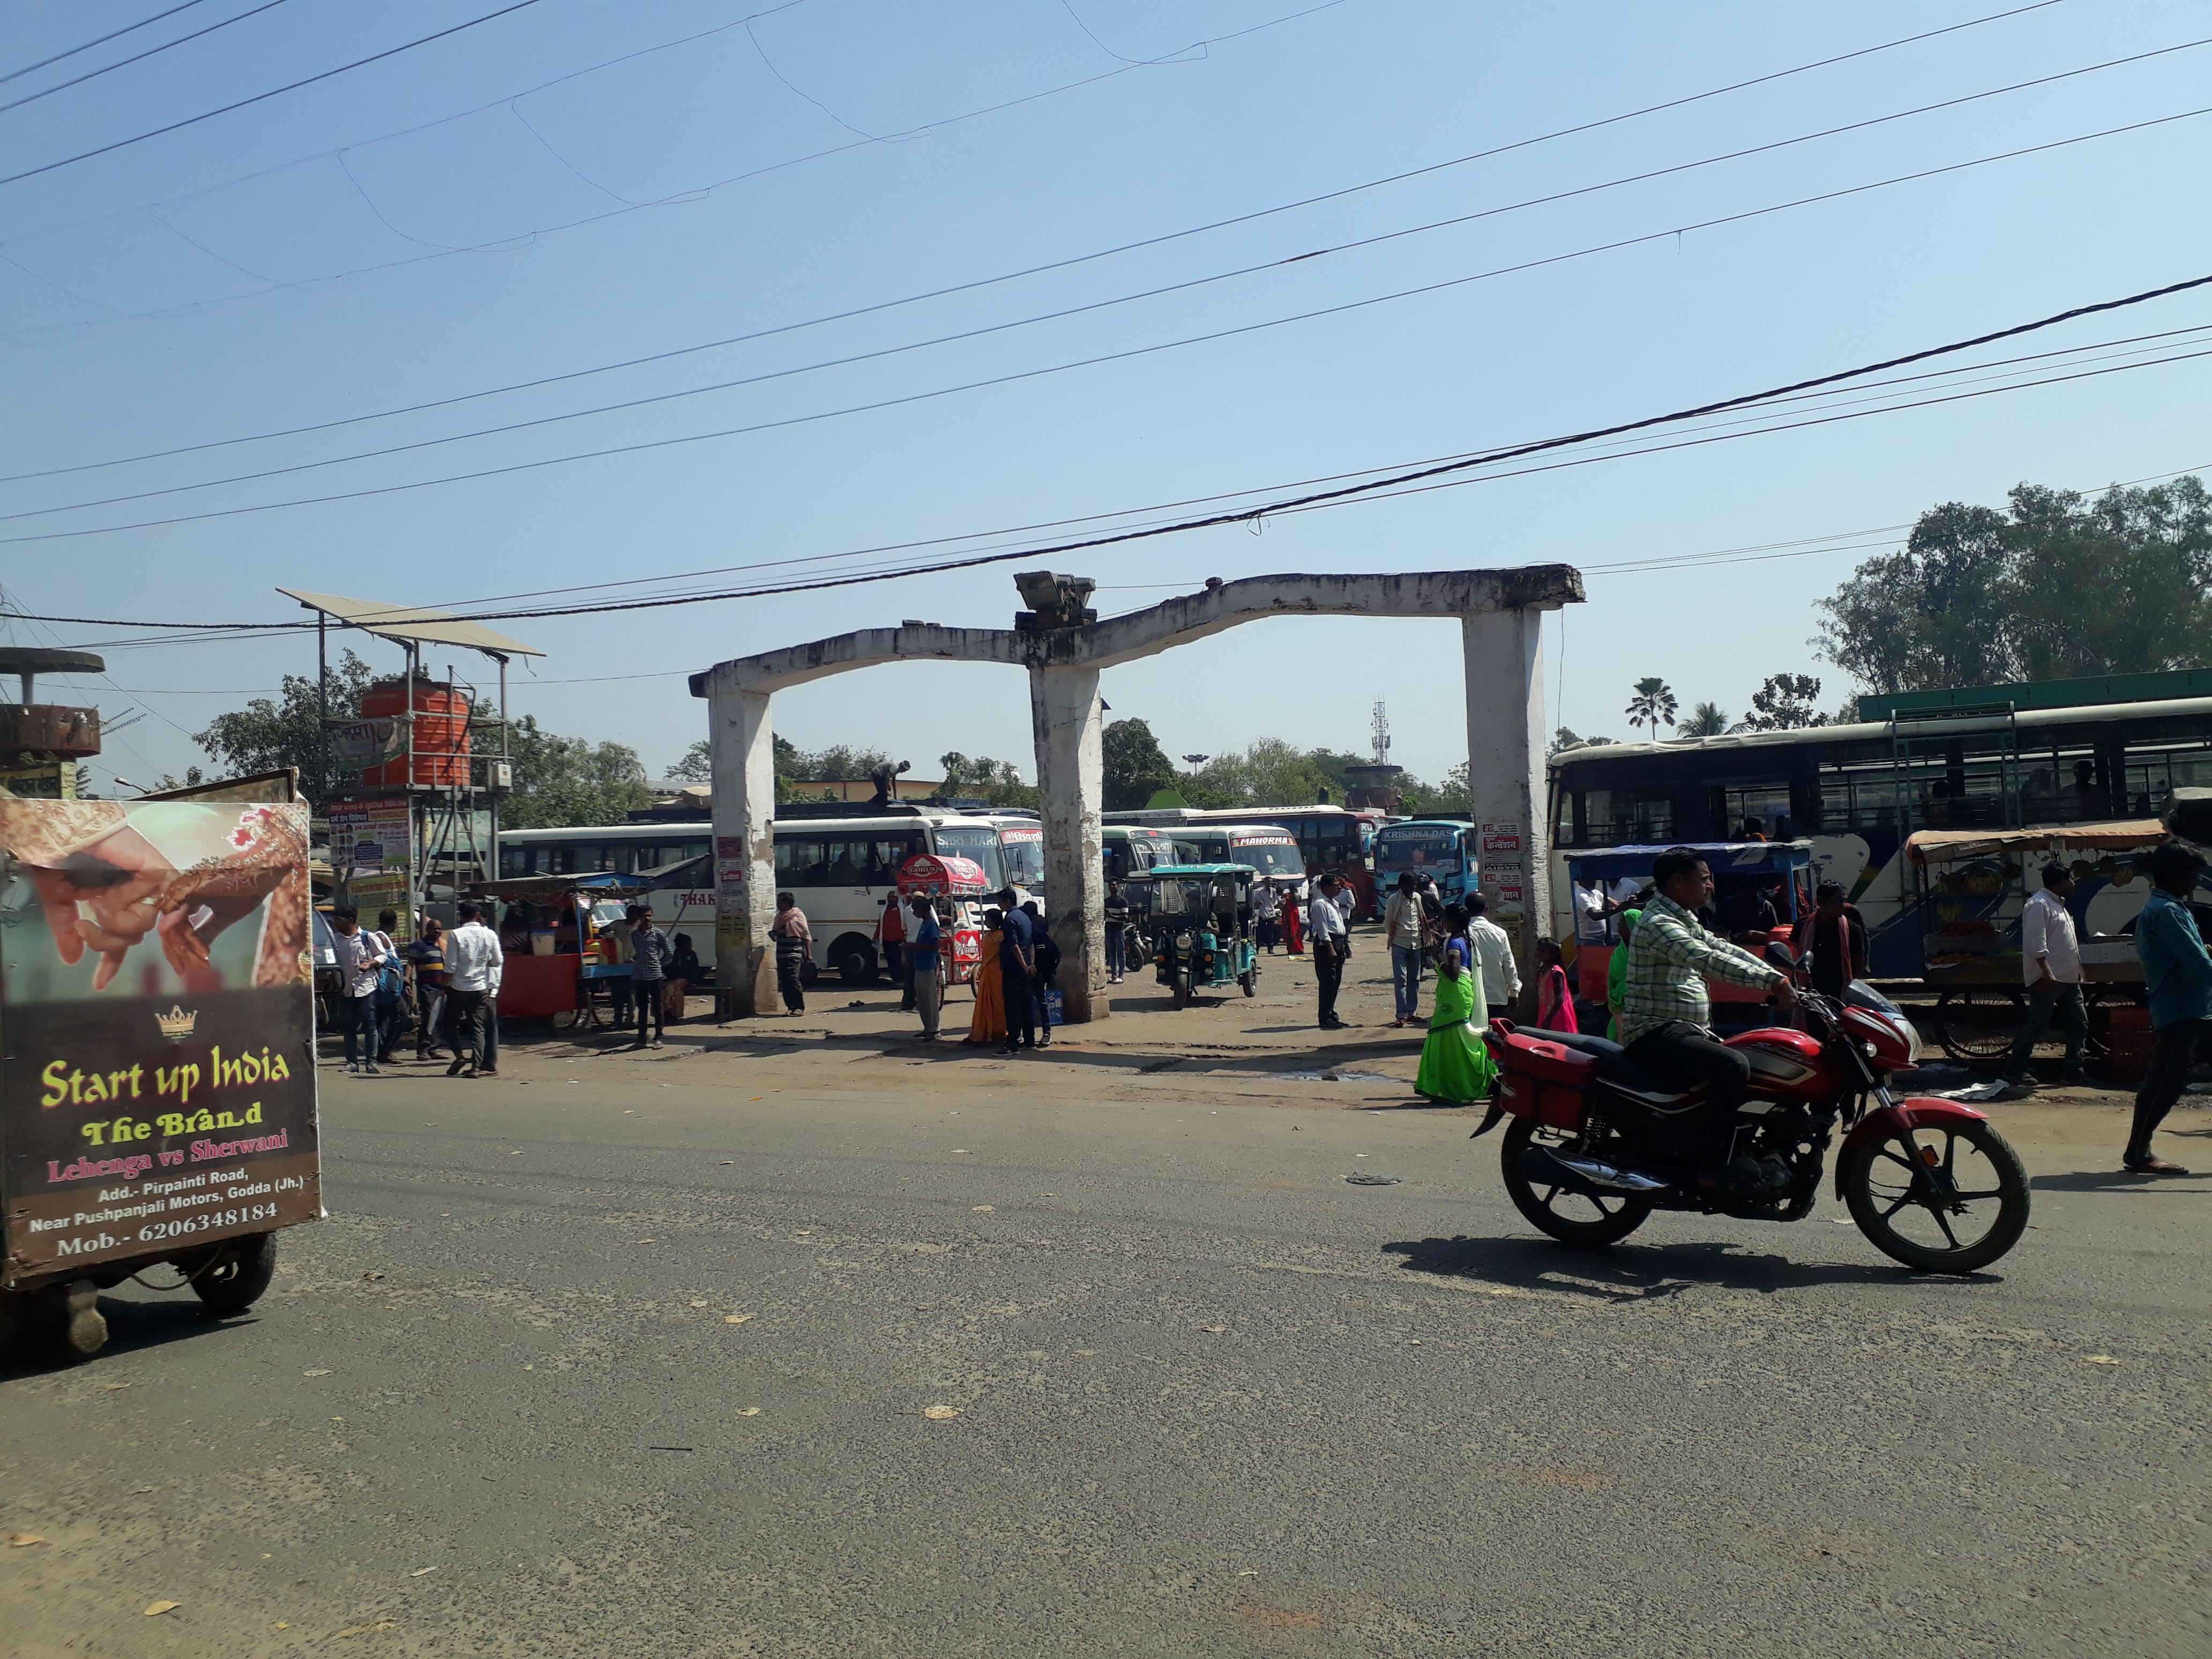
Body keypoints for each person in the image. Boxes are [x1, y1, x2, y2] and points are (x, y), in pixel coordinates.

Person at [1618, 846, 1796, 1184]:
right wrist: (1773, 981)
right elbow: (1704, 959)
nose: (1711, 885)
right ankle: (1714, 1167)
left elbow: (1722, 948)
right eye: (1704, 879)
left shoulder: (1682, 918)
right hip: (1656, 1032)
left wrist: (1779, 974)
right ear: (1677, 881)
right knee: (1733, 1065)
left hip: (1685, 1029)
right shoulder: (1659, 923)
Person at [2125, 842, 2211, 1175]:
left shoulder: (2170, 907)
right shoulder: (2168, 912)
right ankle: (2137, 1152)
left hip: (2195, 1007)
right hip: (2181, 1009)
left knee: (2167, 1080)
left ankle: (2138, 1151)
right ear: (2178, 874)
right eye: (2193, 873)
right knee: (2165, 1082)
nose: (2196, 880)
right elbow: (2200, 964)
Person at [1998, 865, 2086, 1088]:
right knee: (2037, 1025)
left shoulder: (2057, 904)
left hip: (2067, 977)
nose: (2074, 884)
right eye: (2072, 879)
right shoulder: (2039, 904)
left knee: (2079, 1022)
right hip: (2048, 978)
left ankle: (2074, 1071)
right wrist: (2046, 972)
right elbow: (2036, 943)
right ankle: (2015, 1071)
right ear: (2061, 881)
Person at [1415, 932, 1498, 1104]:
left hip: (1455, 999)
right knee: (1460, 1041)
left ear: (1452, 921)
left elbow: (1453, 974)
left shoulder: (1455, 943)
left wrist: (1437, 956)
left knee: (1454, 1042)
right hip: (1457, 997)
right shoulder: (1464, 939)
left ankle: (1461, 1088)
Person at [445, 900, 504, 1078]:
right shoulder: (490, 935)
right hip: (480, 988)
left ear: (461, 916)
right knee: (477, 1028)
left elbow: (451, 967)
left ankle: (460, 1056)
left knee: (449, 1024)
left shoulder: (456, 935)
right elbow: (498, 961)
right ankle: (476, 1067)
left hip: (457, 987)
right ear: (477, 915)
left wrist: (443, 986)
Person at [329, 906, 388, 1075]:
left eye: (338, 920)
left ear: (350, 920)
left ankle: (372, 1062)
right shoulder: (335, 940)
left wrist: (370, 964)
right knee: (349, 1027)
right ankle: (352, 1062)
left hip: (366, 987)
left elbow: (382, 955)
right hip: (345, 988)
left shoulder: (367, 937)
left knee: (370, 1025)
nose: (335, 923)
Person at [1791, 881, 1870, 1004]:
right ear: (1821, 902)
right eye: (1838, 901)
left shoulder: (1853, 930)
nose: (1843, 906)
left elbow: (1858, 965)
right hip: (1810, 994)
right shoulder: (1801, 927)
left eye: (1844, 901)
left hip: (1840, 994)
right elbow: (1794, 957)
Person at [1464, 894, 1521, 1022]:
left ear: (1466, 909)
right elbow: (1509, 964)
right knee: (1494, 1036)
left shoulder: (1463, 933)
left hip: (1471, 997)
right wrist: (1514, 992)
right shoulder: (1500, 933)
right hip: (1497, 997)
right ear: (1486, 910)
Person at [996, 887, 1038, 1054]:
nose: (999, 906)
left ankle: (1012, 1043)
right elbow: (1030, 943)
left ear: (1007, 901)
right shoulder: (1024, 917)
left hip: (1014, 969)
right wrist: (1030, 965)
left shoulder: (1010, 919)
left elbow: (1014, 947)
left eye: (1000, 902)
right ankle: (1029, 1040)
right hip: (1026, 968)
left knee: (1013, 1007)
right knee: (1026, 1005)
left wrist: (1023, 966)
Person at [1384, 871, 1426, 1028]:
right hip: (1400, 943)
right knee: (1401, 979)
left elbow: (1421, 918)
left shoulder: (1418, 898)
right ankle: (1401, 1015)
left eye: (1415, 885)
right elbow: (1388, 922)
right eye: (1410, 885)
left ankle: (1412, 1012)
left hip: (1416, 943)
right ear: (1402, 885)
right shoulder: (1394, 900)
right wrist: (1393, 937)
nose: (1413, 888)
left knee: (1414, 980)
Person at [1308, 873, 1351, 1029]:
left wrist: (1343, 947)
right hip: (1327, 945)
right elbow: (1322, 930)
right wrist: (1331, 949)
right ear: (1325, 887)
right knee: (1328, 982)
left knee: (1336, 982)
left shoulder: (1333, 903)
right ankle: (1325, 1018)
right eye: (1335, 885)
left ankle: (1332, 1014)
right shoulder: (1320, 904)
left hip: (1339, 942)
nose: (1339, 888)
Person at [407, 917, 451, 1062]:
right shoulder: (419, 945)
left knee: (439, 1019)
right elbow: (410, 964)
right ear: (427, 929)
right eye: (434, 928)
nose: (438, 931)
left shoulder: (443, 945)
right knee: (429, 1018)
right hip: (427, 987)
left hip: (441, 988)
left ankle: (433, 1049)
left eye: (439, 929)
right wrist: (407, 980)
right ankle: (422, 1050)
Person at [628, 903, 671, 1048]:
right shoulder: (634, 935)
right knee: (642, 1008)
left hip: (655, 975)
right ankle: (641, 1039)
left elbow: (669, 953)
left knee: (658, 1007)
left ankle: (659, 1037)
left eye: (650, 916)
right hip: (639, 976)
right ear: (639, 918)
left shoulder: (659, 934)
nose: (648, 919)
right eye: (645, 916)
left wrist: (660, 964)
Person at [369, 908, 407, 1064]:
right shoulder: (381, 937)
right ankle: (384, 1051)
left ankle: (377, 1051)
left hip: (389, 986)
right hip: (387, 987)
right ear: (394, 922)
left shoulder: (382, 937)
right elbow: (384, 961)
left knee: (381, 1019)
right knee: (401, 1016)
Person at [966, 908, 1008, 1045]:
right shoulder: (987, 936)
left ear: (995, 920)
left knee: (998, 1003)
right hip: (986, 972)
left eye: (988, 919)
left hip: (998, 973)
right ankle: (982, 1032)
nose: (986, 922)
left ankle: (999, 1032)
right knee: (984, 1003)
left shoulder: (1002, 936)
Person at [908, 894, 944, 1040]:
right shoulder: (924, 923)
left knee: (930, 999)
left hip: (928, 966)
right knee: (922, 1000)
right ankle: (927, 1027)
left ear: (922, 910)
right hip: (919, 966)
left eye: (915, 909)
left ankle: (935, 1029)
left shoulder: (931, 924)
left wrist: (914, 947)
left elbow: (935, 945)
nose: (914, 913)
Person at [1023, 900, 1059, 1047]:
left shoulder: (1032, 927)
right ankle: (1043, 1033)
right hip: (1038, 969)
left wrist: (1037, 969)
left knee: (1037, 1000)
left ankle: (1044, 1033)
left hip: (1035, 970)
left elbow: (1040, 951)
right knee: (1040, 1000)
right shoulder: (1041, 923)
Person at [770, 892, 811, 1014]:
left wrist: (809, 953)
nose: (777, 904)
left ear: (787, 903)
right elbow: (775, 932)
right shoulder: (779, 917)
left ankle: (799, 1007)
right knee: (784, 981)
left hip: (794, 953)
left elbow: (805, 935)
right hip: (781, 953)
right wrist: (773, 934)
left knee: (793, 979)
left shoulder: (798, 916)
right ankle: (791, 1007)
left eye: (780, 901)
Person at [1605, 908, 1641, 1040]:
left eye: (1623, 921)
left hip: (1639, 1004)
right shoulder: (1620, 950)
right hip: (1618, 1001)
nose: (1618, 924)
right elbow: (1612, 977)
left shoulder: (1643, 950)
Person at [1534, 936, 1577, 1033]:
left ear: (1553, 954)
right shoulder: (1541, 972)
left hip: (1557, 1013)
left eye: (1543, 951)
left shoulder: (1556, 972)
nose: (1539, 954)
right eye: (1538, 951)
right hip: (1545, 1012)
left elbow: (1560, 997)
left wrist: (1549, 1018)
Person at [877, 892, 911, 1011]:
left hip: (899, 940)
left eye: (892, 897)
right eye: (889, 898)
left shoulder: (903, 910)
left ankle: (901, 980)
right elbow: (880, 924)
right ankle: (895, 980)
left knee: (899, 961)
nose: (890, 899)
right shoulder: (884, 911)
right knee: (890, 960)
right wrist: (876, 936)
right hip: (887, 940)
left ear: (897, 899)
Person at [666, 932, 702, 1025]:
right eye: (689, 944)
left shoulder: (692, 955)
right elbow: (668, 970)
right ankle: (673, 1013)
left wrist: (692, 982)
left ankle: (667, 1007)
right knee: (675, 990)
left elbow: (695, 971)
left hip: (686, 981)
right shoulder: (673, 956)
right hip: (674, 983)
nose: (691, 946)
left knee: (672, 986)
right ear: (683, 945)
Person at [1105, 879, 1132, 982]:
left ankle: (1121, 976)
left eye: (1114, 885)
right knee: (1112, 955)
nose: (1112, 887)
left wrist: (1111, 916)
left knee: (1121, 953)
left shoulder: (1123, 901)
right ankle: (1113, 975)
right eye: (1110, 886)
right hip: (1109, 931)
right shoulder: (1106, 901)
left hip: (1119, 931)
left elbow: (1125, 917)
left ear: (1118, 886)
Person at [1251, 879, 1280, 955]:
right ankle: (1257, 949)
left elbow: (1274, 901)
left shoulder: (1273, 891)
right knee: (1260, 931)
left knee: (1271, 932)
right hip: (1262, 914)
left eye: (1270, 882)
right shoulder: (1259, 891)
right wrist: (1259, 903)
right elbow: (1256, 902)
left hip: (1271, 913)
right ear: (1264, 883)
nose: (1269, 884)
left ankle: (1270, 949)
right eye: (1268, 882)